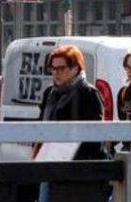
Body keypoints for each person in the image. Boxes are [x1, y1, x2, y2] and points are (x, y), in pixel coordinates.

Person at [38, 45, 107, 202]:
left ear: (76, 68)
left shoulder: (88, 93)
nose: (56, 73)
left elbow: (95, 138)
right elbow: (40, 125)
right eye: (53, 68)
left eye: (61, 68)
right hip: (50, 166)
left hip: (78, 173)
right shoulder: (50, 93)